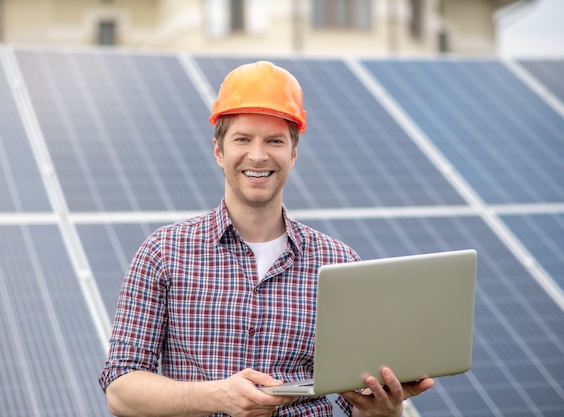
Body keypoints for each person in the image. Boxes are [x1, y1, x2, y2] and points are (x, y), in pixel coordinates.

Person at [99, 60, 434, 417]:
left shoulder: (340, 263)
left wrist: (384, 411)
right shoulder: (164, 252)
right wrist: (218, 397)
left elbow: (354, 404)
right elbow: (121, 390)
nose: (258, 155)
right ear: (218, 150)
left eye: (274, 141)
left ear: (293, 153)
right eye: (242, 139)